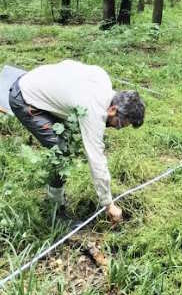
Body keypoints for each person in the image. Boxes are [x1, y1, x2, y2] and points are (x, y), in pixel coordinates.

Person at [8, 59, 145, 223]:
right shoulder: (92, 110)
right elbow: (96, 160)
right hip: (25, 98)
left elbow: (69, 65)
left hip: (37, 79)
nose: (117, 128)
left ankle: (55, 196)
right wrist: (109, 205)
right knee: (61, 151)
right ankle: (54, 208)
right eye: (120, 124)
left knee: (65, 141)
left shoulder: (103, 79)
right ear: (113, 109)